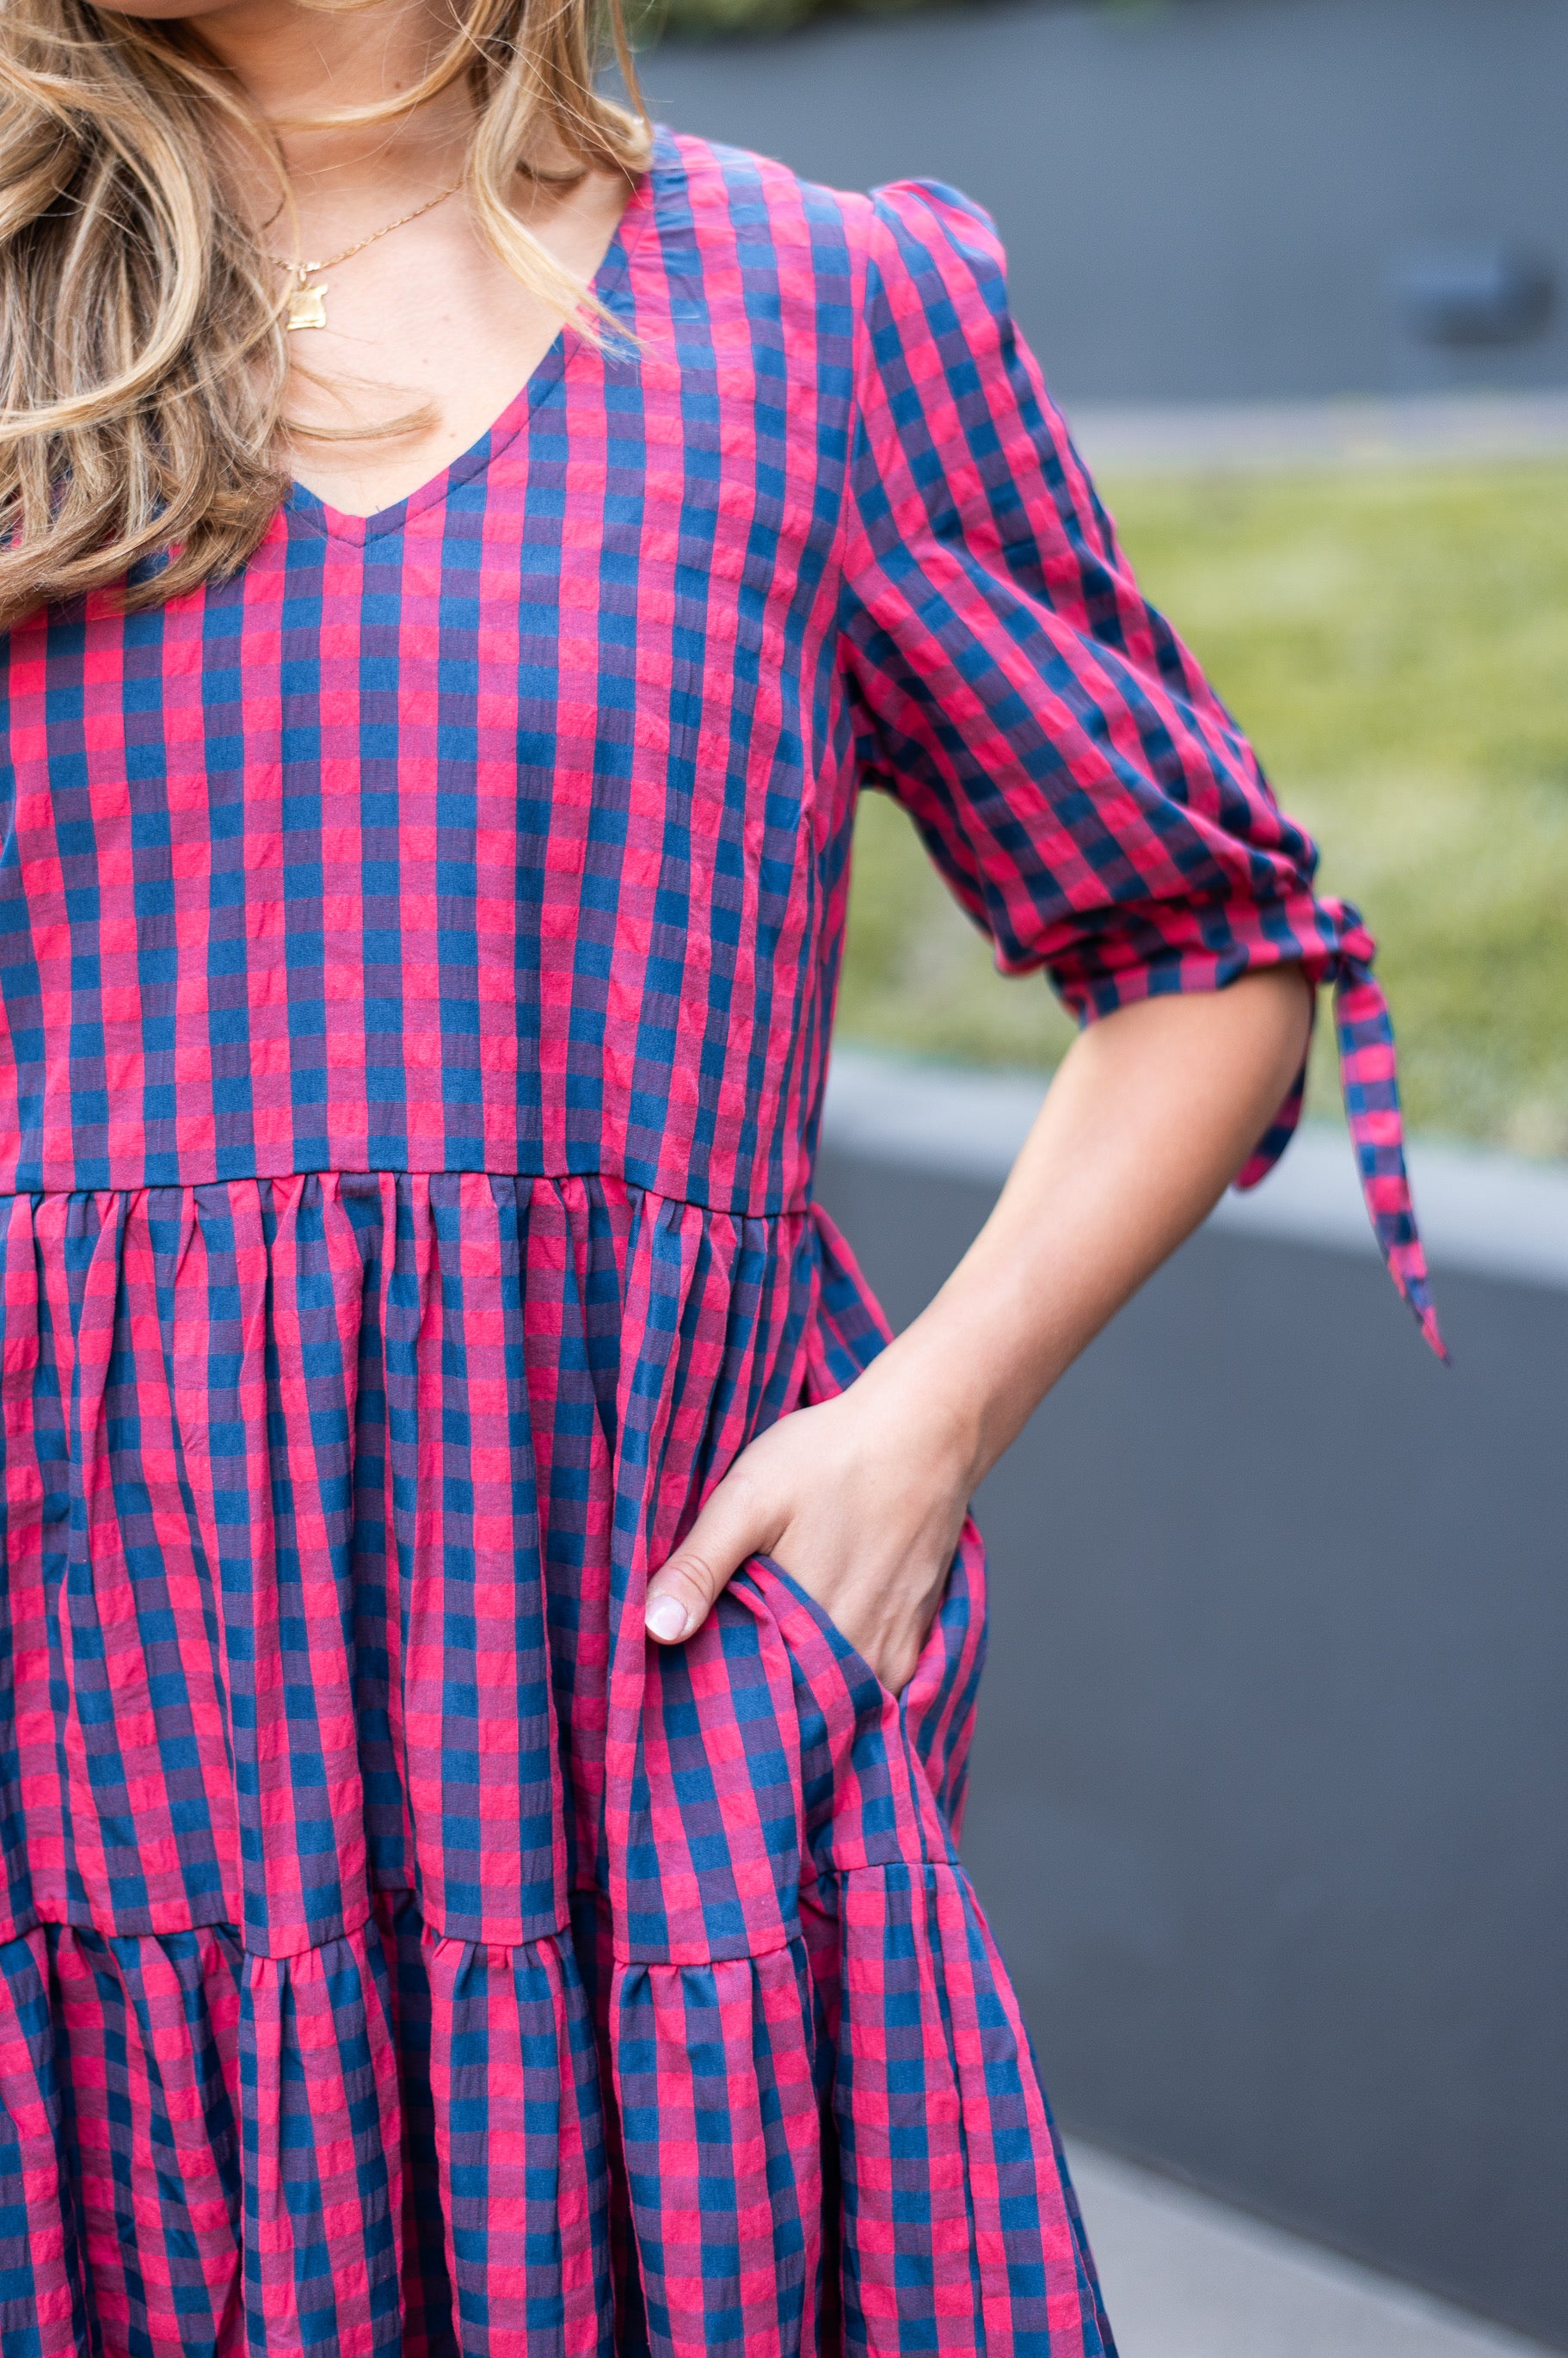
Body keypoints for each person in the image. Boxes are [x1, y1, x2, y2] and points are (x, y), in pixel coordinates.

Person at [0, 0, 1440, 2344]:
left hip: (625, 1770)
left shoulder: (817, 322)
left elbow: (1206, 948)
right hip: (80, 1742)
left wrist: (928, 1427)